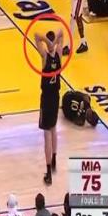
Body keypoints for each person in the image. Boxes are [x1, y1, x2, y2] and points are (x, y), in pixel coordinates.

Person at [34, 29, 64, 185]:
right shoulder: (59, 54)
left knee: (47, 133)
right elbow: (62, 33)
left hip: (46, 98)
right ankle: (54, 160)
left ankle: (48, 172)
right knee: (53, 128)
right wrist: (55, 40)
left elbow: (35, 35)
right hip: (56, 97)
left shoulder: (45, 57)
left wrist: (47, 41)